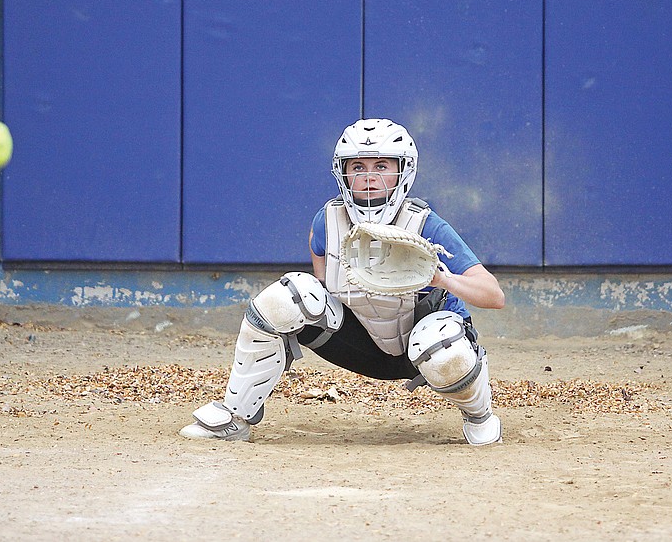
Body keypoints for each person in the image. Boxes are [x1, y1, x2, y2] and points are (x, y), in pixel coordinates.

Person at [180, 118, 505, 445]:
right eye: (358, 166)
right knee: (290, 295)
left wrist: (442, 279)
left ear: (403, 171)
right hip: (360, 346)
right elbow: (321, 274)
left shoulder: (426, 225)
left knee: (440, 340)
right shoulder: (327, 221)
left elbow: (494, 295)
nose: (368, 177)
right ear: (343, 172)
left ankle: (479, 413)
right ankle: (234, 416)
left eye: (381, 165)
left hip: (423, 351)